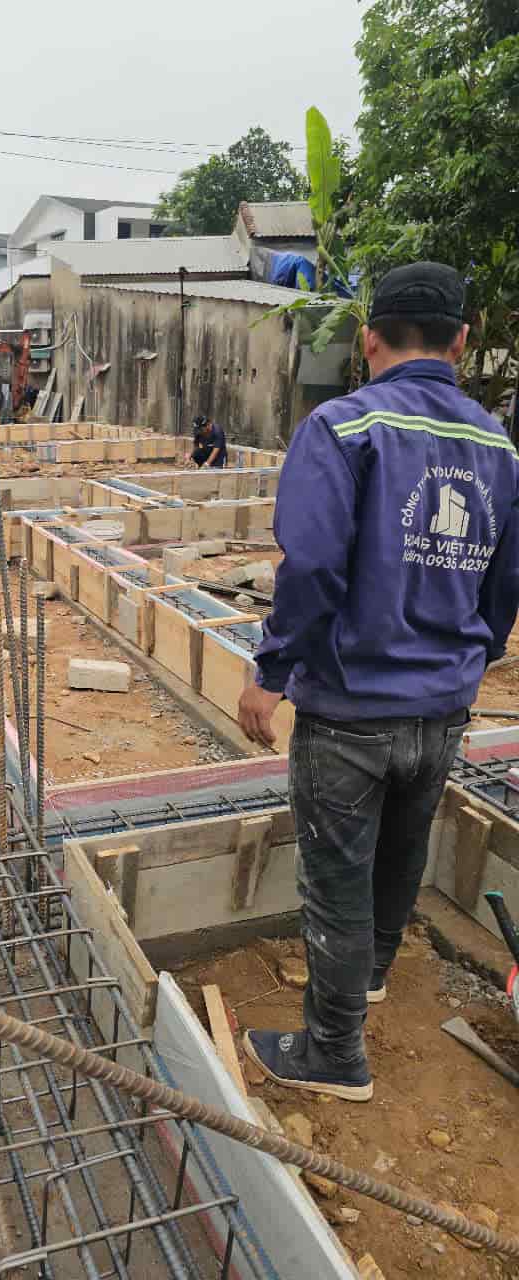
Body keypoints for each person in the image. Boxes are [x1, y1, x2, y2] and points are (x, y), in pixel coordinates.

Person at [237, 262, 519, 1102]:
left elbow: (314, 566)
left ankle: (334, 1055)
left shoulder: (344, 427)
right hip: (442, 707)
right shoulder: (499, 448)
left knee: (336, 881)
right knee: (400, 854)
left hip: (352, 709)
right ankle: (371, 977)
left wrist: (272, 671)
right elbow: (505, 584)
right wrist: (466, 660)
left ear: (368, 339)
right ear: (461, 342)